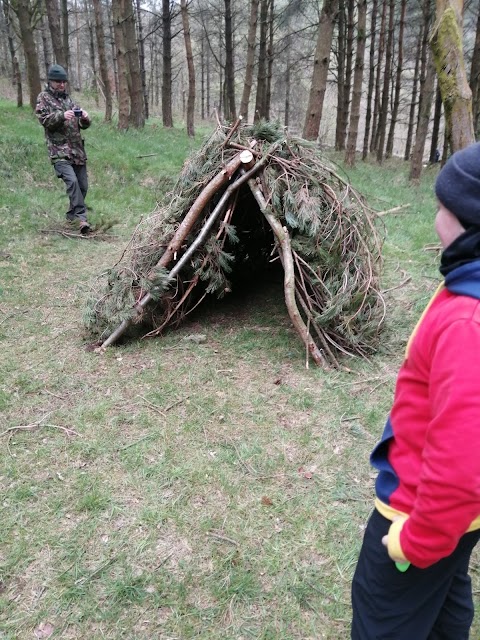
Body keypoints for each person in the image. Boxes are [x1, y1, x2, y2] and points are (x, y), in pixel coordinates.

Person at [351, 142, 480, 640]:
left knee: (383, 612)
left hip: (419, 512)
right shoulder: (467, 286)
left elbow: (463, 463)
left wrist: (418, 541)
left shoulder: (468, 320)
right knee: (447, 596)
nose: (435, 219)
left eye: (443, 208)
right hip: (460, 522)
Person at [35, 64, 92, 234]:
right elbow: (44, 120)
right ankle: (82, 219)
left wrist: (85, 118)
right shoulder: (43, 98)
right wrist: (61, 115)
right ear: (50, 81)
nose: (61, 84)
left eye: (63, 82)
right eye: (58, 82)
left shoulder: (69, 100)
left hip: (77, 151)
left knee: (82, 186)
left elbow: (82, 125)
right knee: (72, 183)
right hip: (59, 152)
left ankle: (71, 217)